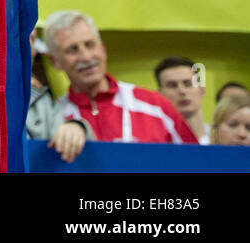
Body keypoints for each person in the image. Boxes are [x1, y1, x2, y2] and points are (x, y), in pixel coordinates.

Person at [44, 9, 197, 143]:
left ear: (102, 49)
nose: (85, 56)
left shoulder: (155, 106)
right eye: (72, 50)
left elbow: (196, 163)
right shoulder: (54, 119)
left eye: (90, 45)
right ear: (55, 61)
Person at [26, 30, 92, 162]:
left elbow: (70, 160)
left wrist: (77, 128)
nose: (27, 46)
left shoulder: (43, 102)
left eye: (32, 39)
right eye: (16, 35)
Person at [154, 56, 209, 144]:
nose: (182, 91)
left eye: (188, 84)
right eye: (172, 85)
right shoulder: (153, 142)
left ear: (201, 90)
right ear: (159, 94)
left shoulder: (223, 140)